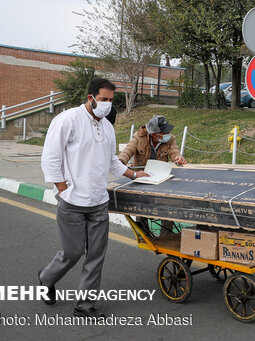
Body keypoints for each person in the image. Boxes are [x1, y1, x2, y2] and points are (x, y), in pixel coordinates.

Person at [39, 78, 148, 318]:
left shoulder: (107, 127)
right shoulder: (67, 120)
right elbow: (51, 157)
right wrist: (62, 188)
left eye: (111, 100)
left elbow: (112, 162)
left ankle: (85, 306)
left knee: (96, 256)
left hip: (99, 201)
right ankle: (46, 278)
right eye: (104, 100)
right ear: (91, 98)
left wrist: (134, 174)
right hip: (72, 202)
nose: (108, 104)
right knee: (73, 252)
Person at [118, 115, 187, 167]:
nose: (168, 133)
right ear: (154, 134)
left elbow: (174, 152)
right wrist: (120, 161)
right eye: (164, 132)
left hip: (160, 173)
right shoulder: (138, 137)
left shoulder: (170, 138)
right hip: (140, 173)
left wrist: (178, 158)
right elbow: (128, 151)